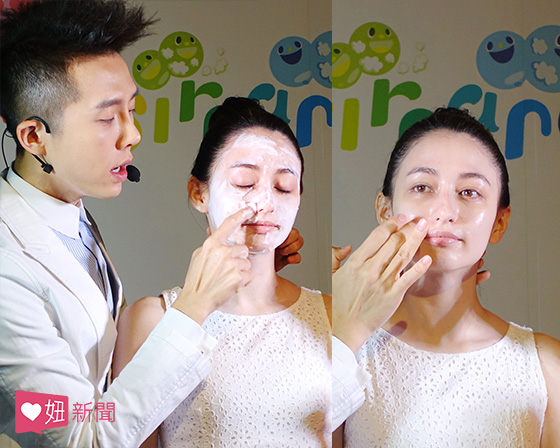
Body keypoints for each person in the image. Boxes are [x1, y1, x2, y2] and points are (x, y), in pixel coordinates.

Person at [0, 1, 302, 446]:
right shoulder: (7, 263)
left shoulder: (66, 212)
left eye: (132, 109)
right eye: (108, 118)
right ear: (34, 137)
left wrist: (248, 275)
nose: (133, 134)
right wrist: (194, 306)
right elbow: (72, 434)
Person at [332, 108, 559, 447]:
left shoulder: (546, 368)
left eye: (469, 192)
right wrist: (339, 334)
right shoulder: (342, 349)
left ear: (499, 222)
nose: (445, 212)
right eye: (422, 187)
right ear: (384, 210)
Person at [113, 97, 332, 447]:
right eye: (244, 182)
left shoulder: (331, 316)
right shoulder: (151, 320)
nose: (265, 203)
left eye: (284, 187)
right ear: (199, 193)